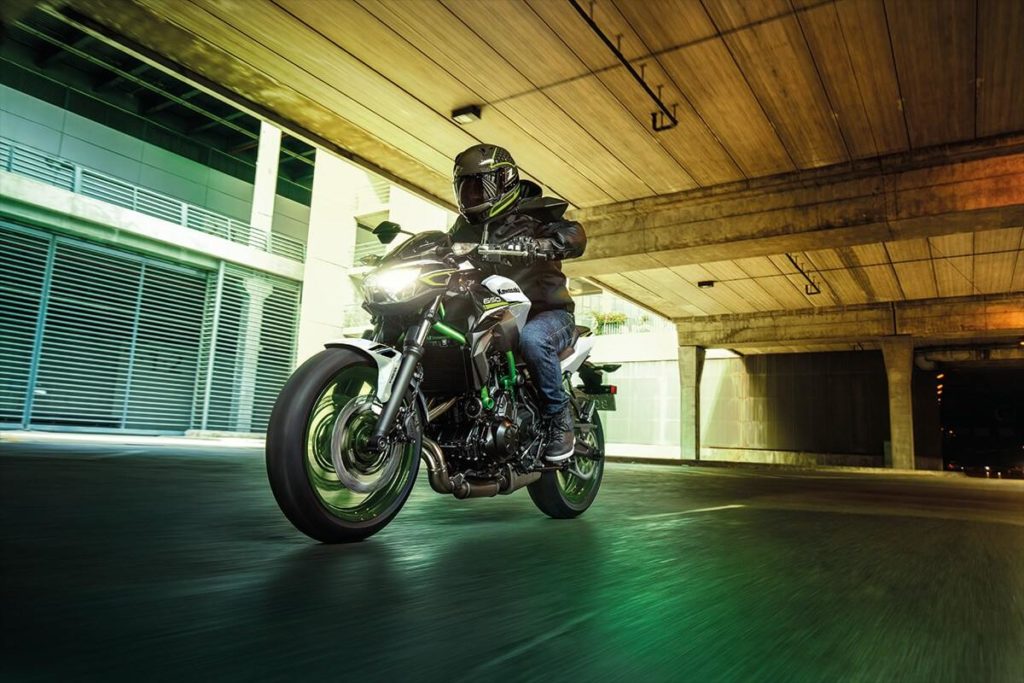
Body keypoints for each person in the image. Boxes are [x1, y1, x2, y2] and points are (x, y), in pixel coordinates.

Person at [449, 143, 586, 462]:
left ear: (505, 181)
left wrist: (543, 244)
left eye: (480, 186)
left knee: (534, 341)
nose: (472, 195)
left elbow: (574, 234)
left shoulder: (536, 212)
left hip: (547, 314)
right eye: (466, 187)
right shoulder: (463, 228)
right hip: (494, 312)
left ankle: (559, 422)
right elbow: (446, 248)